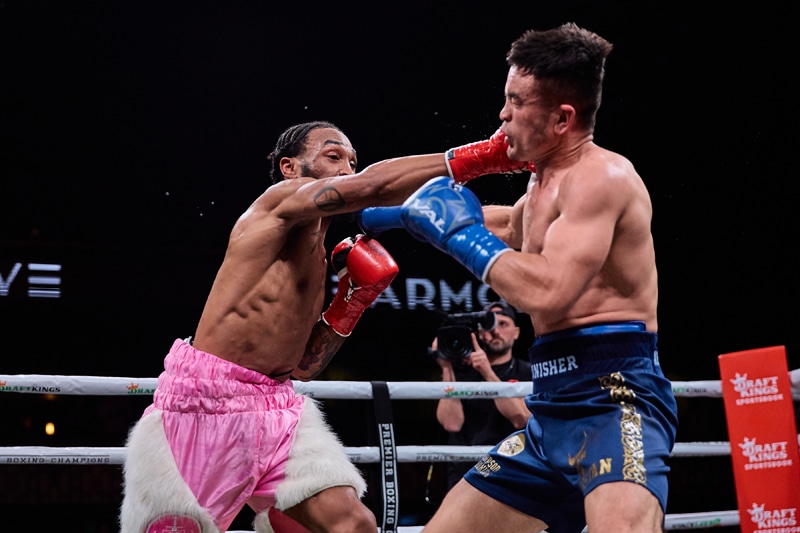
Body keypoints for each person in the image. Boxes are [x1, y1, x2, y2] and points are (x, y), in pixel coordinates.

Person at [119, 120, 533, 533]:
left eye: (354, 162)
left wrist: (349, 303)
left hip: (277, 407)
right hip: (206, 404)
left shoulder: (322, 258)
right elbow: (372, 185)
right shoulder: (273, 208)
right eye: (333, 156)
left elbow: (300, 368)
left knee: (353, 524)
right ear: (289, 168)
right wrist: (487, 156)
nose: (348, 171)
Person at [359, 23, 679, 533]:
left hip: (615, 399)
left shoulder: (602, 178)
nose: (502, 114)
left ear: (561, 118)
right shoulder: (542, 183)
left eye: (515, 101)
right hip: (550, 406)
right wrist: (404, 215)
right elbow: (512, 224)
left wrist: (457, 232)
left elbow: (545, 289)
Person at [432, 301, 531, 491]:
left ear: (516, 332)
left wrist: (487, 373)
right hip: (465, 472)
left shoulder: (526, 372)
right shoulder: (460, 373)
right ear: (479, 333)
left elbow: (521, 419)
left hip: (509, 468)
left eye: (503, 324)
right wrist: (447, 368)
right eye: (490, 325)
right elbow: (451, 423)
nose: (495, 331)